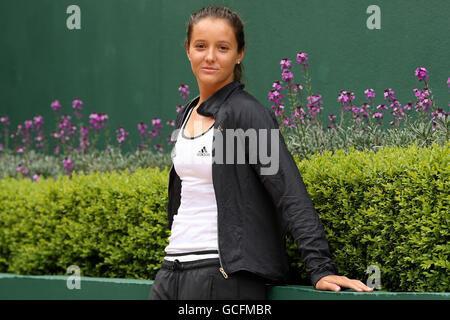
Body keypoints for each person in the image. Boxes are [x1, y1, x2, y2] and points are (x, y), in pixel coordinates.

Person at [149, 5, 373, 300]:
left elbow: (288, 190)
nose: (210, 56)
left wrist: (320, 267)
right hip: (171, 270)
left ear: (239, 53)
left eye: (223, 47)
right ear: (188, 50)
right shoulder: (187, 113)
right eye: (201, 46)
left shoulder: (246, 114)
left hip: (223, 276)